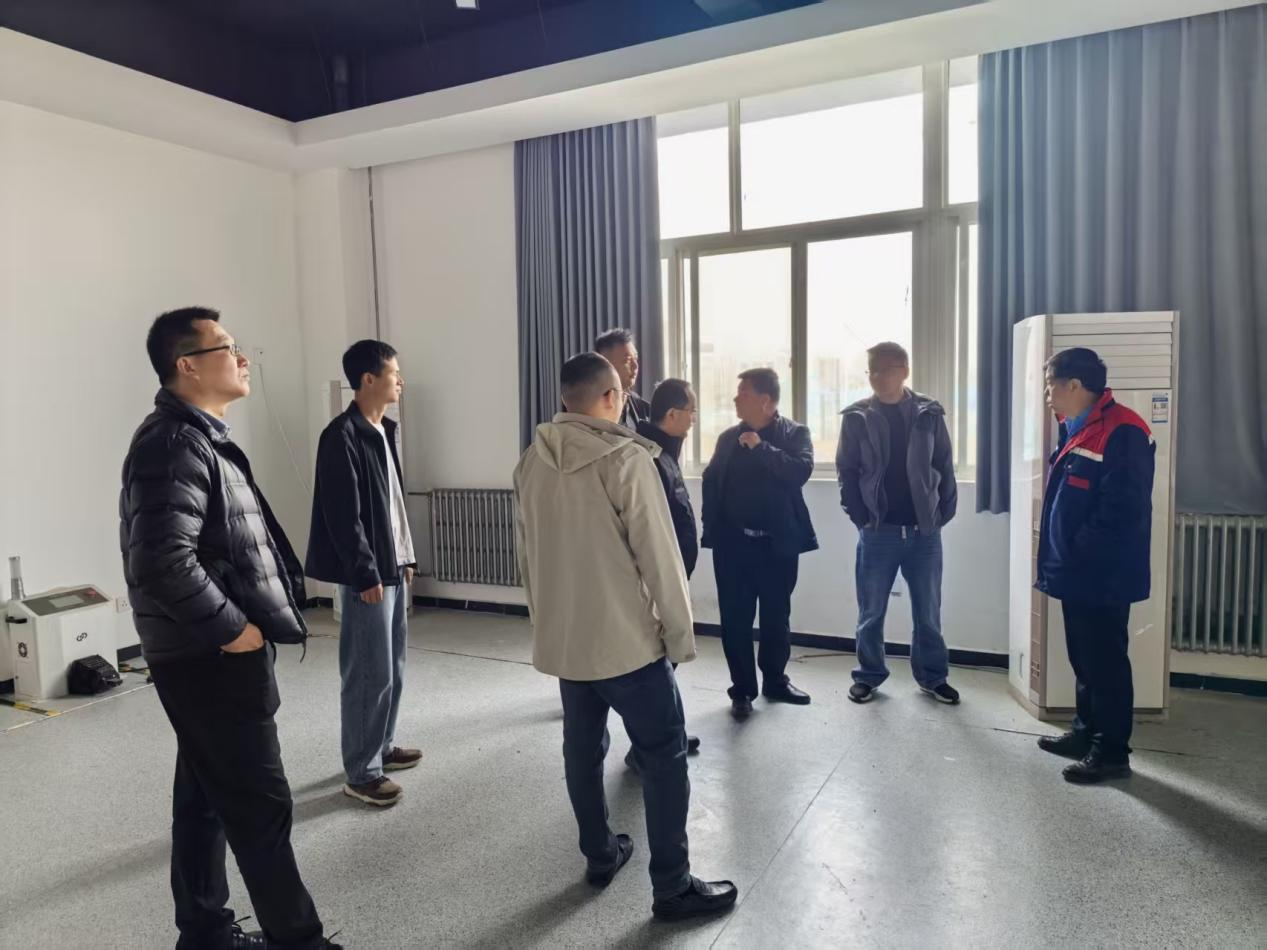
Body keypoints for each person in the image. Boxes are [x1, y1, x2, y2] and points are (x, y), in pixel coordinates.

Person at [120, 307, 337, 950]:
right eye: (228, 347)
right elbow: (161, 560)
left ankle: (205, 932)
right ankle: (299, 940)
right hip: (210, 657)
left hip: (201, 655)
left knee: (205, 797)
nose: (243, 358)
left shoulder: (196, 437)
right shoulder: (173, 443)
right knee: (259, 804)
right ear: (187, 365)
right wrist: (234, 630)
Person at [514, 352, 737, 920]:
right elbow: (660, 557)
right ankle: (672, 886)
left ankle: (599, 855)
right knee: (664, 755)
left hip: (568, 642)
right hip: (627, 643)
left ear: (566, 399)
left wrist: (546, 626)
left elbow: (527, 557)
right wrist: (680, 637)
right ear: (611, 397)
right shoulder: (626, 459)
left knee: (583, 751)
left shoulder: (531, 463)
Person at [307, 340, 421, 807]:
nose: (400, 381)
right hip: (368, 575)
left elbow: (390, 506)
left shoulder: (384, 430)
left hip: (392, 565)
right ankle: (361, 771)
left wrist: (406, 556)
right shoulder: (342, 436)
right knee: (368, 672)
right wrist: (364, 573)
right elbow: (343, 515)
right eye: (394, 373)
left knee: (392, 667)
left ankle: (382, 746)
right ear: (369, 379)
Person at [1036, 347, 1154, 784]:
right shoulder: (1076, 426)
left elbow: (1122, 510)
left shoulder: (1124, 430)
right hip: (1078, 571)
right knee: (1084, 659)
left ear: (1073, 385)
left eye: (1050, 385)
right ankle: (1086, 733)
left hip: (1102, 575)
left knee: (1105, 664)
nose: (1047, 394)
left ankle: (1111, 753)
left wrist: (1077, 550)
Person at [836, 342, 960, 706]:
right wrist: (860, 516)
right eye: (872, 370)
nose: (877, 377)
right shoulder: (857, 416)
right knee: (871, 611)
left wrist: (942, 513)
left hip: (924, 533)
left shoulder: (928, 412)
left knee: (928, 612)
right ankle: (868, 675)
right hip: (879, 532)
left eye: (885, 369)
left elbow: (944, 463)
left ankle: (933, 677)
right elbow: (846, 469)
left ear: (904, 370)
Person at [701, 368, 817, 720]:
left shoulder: (795, 434)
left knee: (776, 616)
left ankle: (775, 681)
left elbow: (799, 472)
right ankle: (742, 690)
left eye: (744, 393)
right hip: (733, 547)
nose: (736, 399)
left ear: (765, 401)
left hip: (776, 546)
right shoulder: (728, 438)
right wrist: (710, 525)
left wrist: (761, 448)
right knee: (735, 620)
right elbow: (711, 481)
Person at [627, 378, 701, 769]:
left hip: (672, 576)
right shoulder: (649, 457)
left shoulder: (664, 451)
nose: (694, 419)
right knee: (655, 669)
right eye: (691, 411)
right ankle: (646, 749)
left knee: (665, 665)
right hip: (657, 583)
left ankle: (663, 738)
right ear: (672, 414)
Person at [594, 327, 650, 429]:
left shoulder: (636, 402)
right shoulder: (592, 407)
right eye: (627, 360)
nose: (635, 366)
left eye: (635, 358)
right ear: (606, 364)